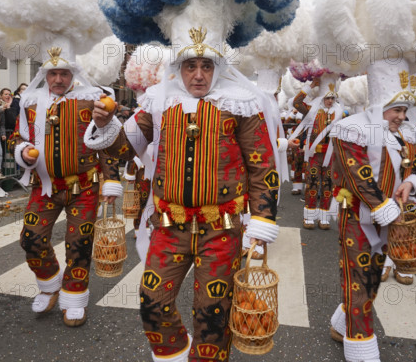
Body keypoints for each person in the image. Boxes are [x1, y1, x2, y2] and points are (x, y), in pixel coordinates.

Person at [86, 26, 281, 362]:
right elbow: (124, 148)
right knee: (152, 303)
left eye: (207, 66)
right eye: (191, 66)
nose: (199, 75)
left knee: (212, 315)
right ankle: (175, 353)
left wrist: (262, 222)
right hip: (169, 226)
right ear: (178, 69)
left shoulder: (240, 106)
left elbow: (262, 167)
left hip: (221, 229)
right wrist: (105, 125)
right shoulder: (158, 103)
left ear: (218, 69)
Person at [10, 46, 123, 328]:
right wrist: (22, 151)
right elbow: (18, 137)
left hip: (84, 187)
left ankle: (74, 296)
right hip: (44, 186)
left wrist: (111, 180)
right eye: (53, 74)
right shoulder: (31, 102)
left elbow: (106, 142)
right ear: (45, 75)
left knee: (79, 244)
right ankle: (49, 284)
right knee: (31, 238)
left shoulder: (91, 100)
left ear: (73, 74)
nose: (58, 79)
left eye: (64, 73)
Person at [328, 60, 416, 361]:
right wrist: (385, 208)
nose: (401, 116)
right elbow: (358, 174)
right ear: (380, 105)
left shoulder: (403, 136)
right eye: (396, 109)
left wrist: (409, 184)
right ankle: (361, 349)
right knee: (359, 280)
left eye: (404, 111)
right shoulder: (351, 129)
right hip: (357, 218)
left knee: (371, 278)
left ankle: (339, 323)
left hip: (389, 220)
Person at [291, 72, 344, 230]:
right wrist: (310, 86)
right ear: (321, 98)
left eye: (332, 98)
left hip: (331, 157)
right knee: (312, 184)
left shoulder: (340, 112)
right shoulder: (312, 110)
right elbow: (296, 102)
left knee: (328, 186)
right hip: (314, 156)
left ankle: (324, 218)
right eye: (326, 98)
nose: (329, 101)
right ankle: (309, 217)